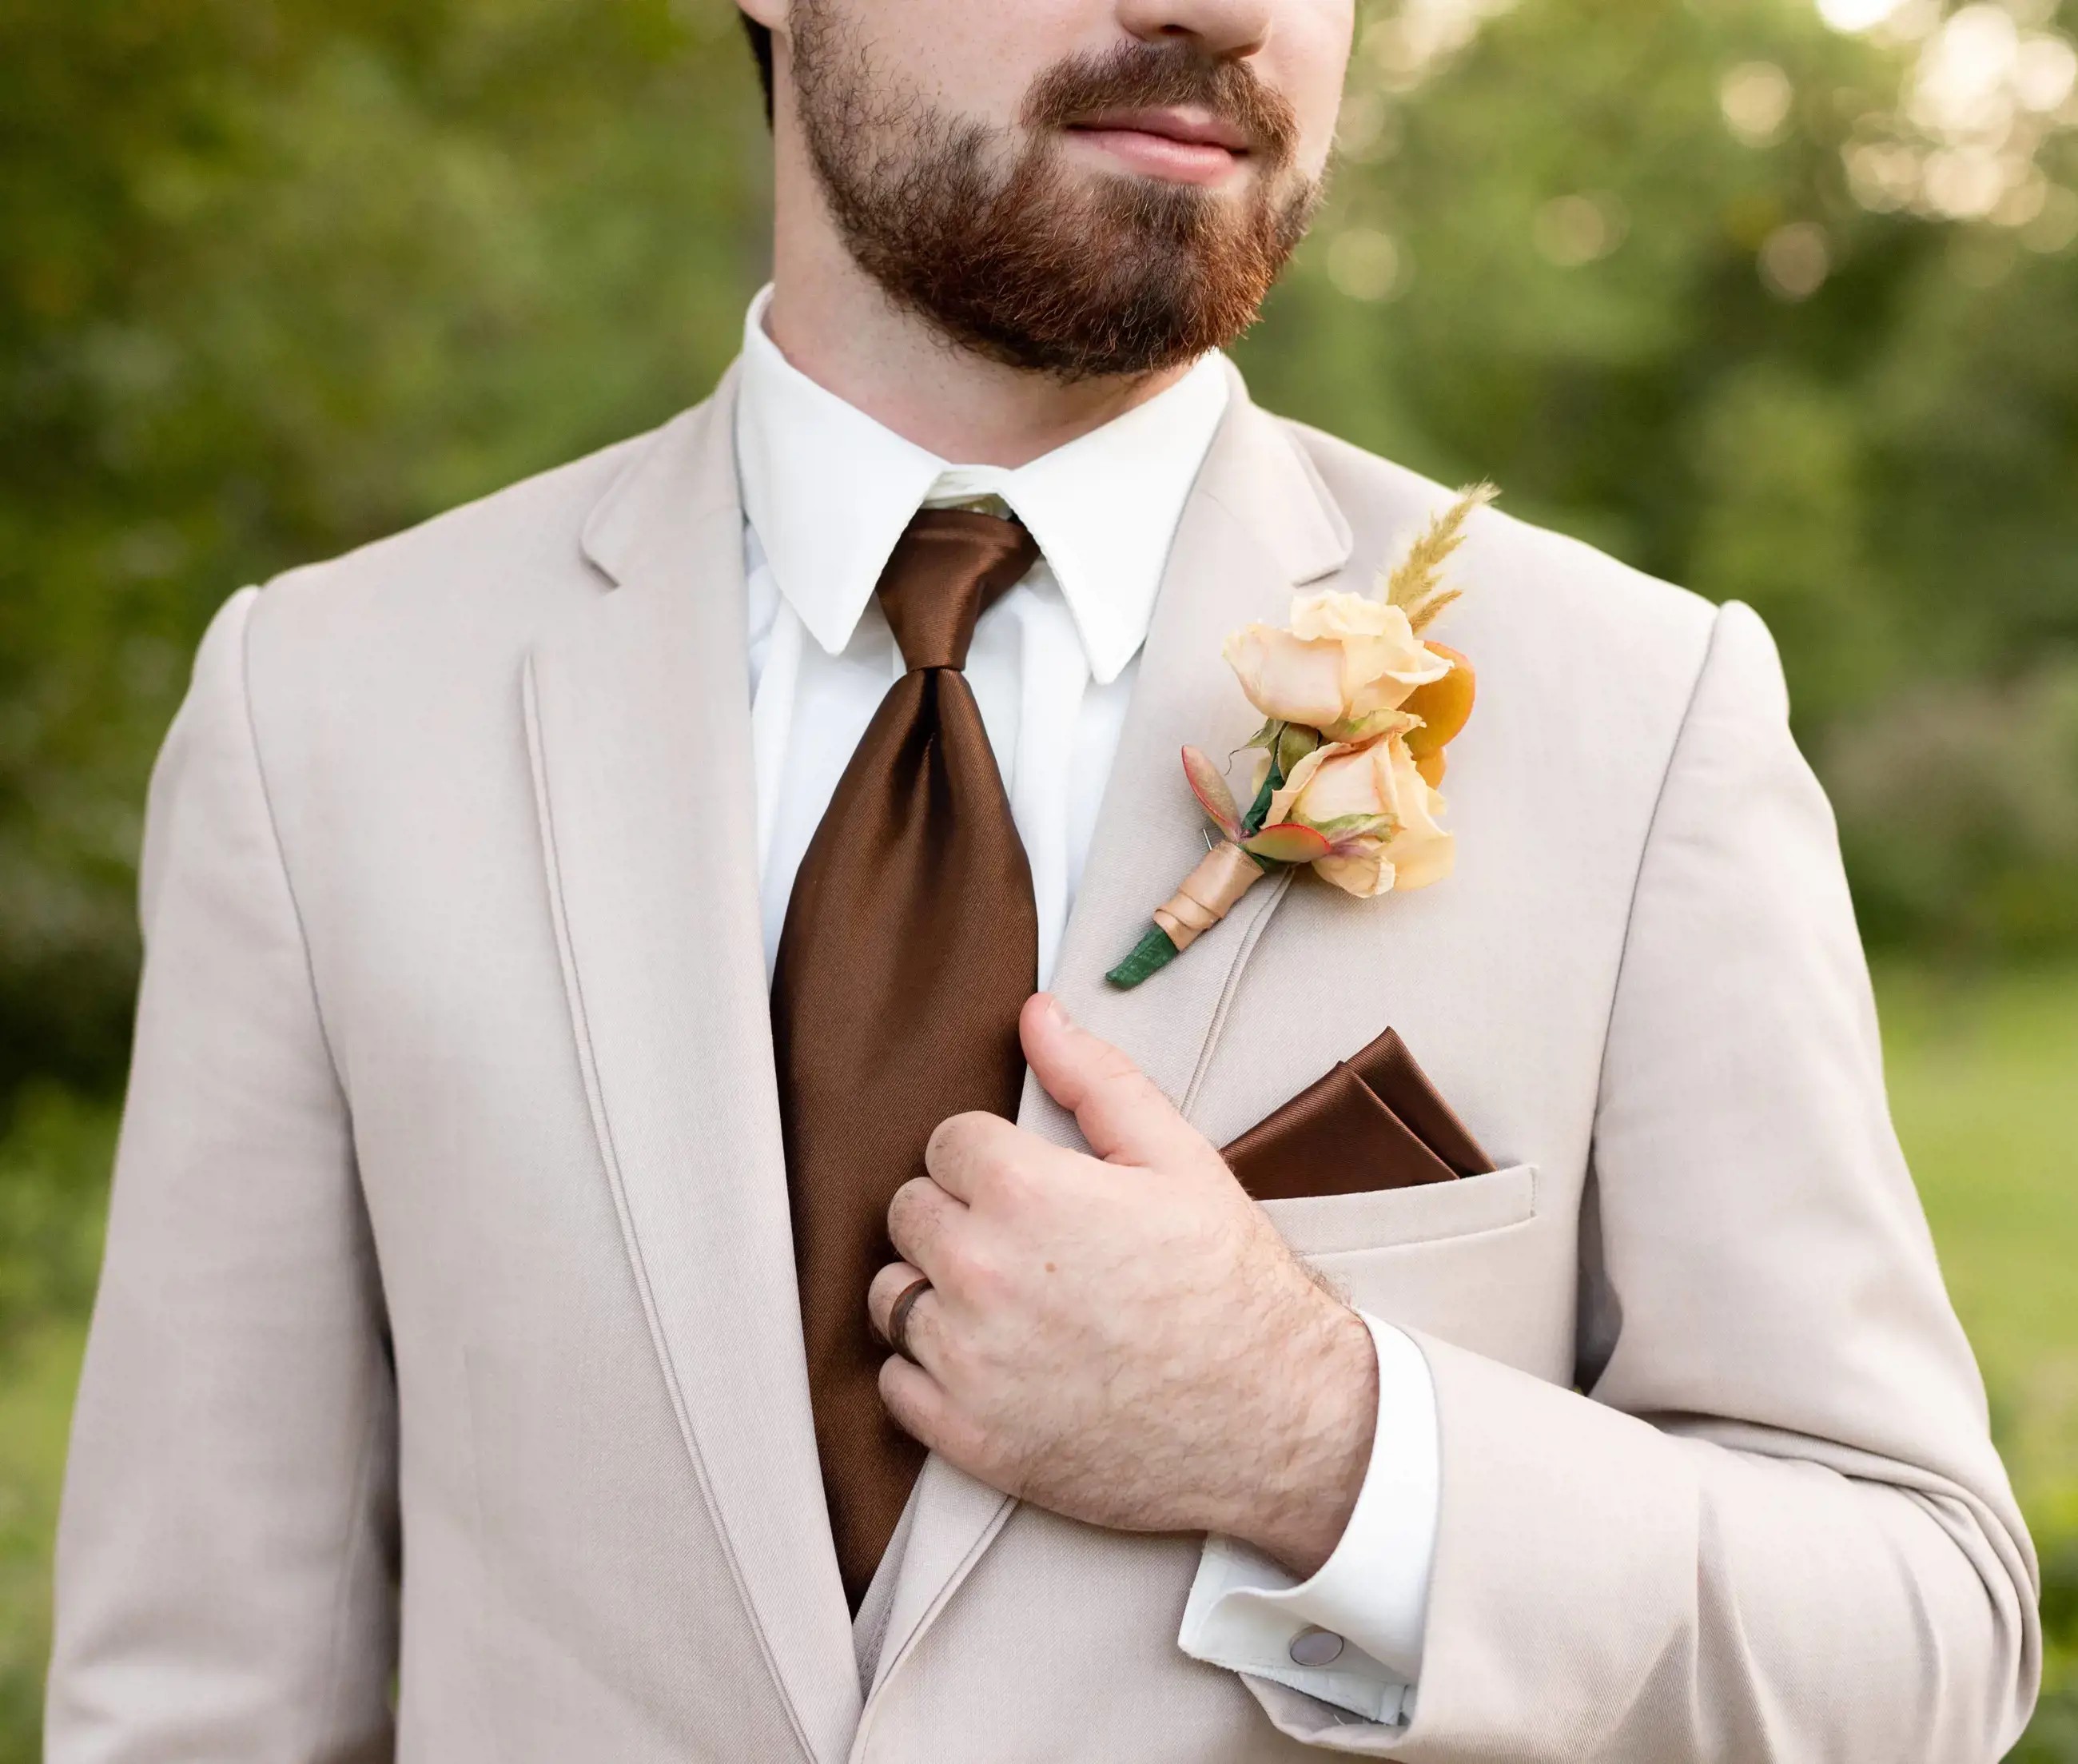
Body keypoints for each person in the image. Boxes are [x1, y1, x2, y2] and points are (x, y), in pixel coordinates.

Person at [45, 0, 2039, 1758]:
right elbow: (199, 1695)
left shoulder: (1637, 708)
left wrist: (1318, 1439)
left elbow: (1923, 1636)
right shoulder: (320, 712)